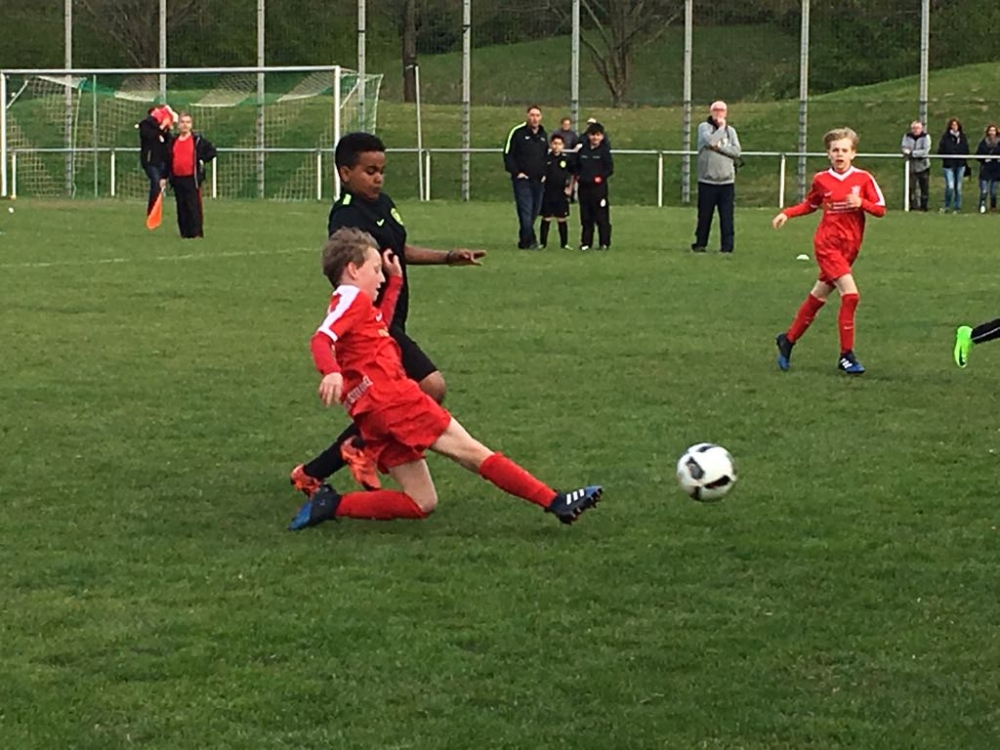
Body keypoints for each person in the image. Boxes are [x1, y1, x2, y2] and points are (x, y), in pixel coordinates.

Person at [287, 228, 603, 530]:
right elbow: (321, 338)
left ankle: (332, 505)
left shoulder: (357, 308)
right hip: (394, 400)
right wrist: (331, 371)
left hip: (373, 415)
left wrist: (396, 282)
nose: (380, 278)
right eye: (376, 270)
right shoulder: (350, 298)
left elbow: (380, 322)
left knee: (422, 501)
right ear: (353, 270)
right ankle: (555, 501)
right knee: (472, 452)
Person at [290, 132, 485, 497]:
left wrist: (447, 257)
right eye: (370, 171)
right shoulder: (346, 217)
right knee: (430, 387)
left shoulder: (383, 203)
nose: (378, 178)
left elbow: (399, 250)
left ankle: (317, 470)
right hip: (373, 326)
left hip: (392, 317)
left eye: (381, 170)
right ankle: (362, 449)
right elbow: (347, 270)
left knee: (391, 405)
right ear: (345, 173)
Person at [772, 127, 886, 375]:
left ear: (853, 153)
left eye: (844, 150)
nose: (839, 154)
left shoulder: (863, 179)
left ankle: (788, 340)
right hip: (827, 246)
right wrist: (787, 213)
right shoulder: (821, 180)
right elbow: (810, 204)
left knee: (818, 297)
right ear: (828, 154)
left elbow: (880, 209)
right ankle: (846, 355)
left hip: (850, 248)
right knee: (851, 296)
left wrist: (862, 203)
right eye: (835, 150)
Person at [692, 101, 741, 254]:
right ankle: (700, 244)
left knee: (727, 216)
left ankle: (727, 246)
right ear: (711, 112)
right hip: (707, 181)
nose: (719, 113)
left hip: (727, 182)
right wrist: (720, 128)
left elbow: (736, 151)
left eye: (722, 110)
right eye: (716, 110)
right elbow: (711, 141)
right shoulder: (704, 127)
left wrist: (719, 147)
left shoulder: (731, 131)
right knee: (704, 215)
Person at [503, 105, 548, 249]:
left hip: (538, 180)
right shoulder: (518, 133)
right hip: (523, 180)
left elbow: (545, 157)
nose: (535, 118)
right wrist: (517, 173)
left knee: (535, 211)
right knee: (525, 210)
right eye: (532, 115)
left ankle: (524, 240)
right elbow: (508, 154)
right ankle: (530, 241)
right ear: (527, 116)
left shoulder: (543, 135)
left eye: (537, 115)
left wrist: (544, 173)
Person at [168, 112, 216, 239]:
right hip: (178, 178)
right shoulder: (173, 141)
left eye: (188, 122)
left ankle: (196, 233)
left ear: (191, 125)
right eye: (182, 122)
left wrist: (201, 159)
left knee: (193, 206)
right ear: (178, 125)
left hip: (191, 178)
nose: (185, 125)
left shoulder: (197, 140)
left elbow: (211, 152)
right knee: (181, 206)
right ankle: (185, 232)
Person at [576, 121, 613, 251]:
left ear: (602, 136)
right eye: (592, 135)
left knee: (601, 217)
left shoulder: (604, 151)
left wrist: (600, 177)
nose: (595, 138)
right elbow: (575, 165)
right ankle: (586, 242)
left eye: (597, 135)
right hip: (584, 188)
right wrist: (578, 175)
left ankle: (604, 242)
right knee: (586, 217)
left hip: (599, 189)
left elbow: (609, 169)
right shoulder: (583, 150)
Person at [136, 105, 176, 223]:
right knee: (156, 182)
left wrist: (166, 129)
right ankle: (152, 211)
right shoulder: (146, 124)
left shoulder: (164, 129)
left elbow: (169, 143)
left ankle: (155, 211)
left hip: (162, 160)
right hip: (150, 161)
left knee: (159, 184)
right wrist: (162, 127)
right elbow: (150, 136)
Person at [539, 133, 575, 249]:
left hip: (561, 193)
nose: (557, 146)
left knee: (562, 218)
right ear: (551, 145)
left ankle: (564, 244)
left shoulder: (566, 159)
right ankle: (543, 243)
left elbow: (573, 174)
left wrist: (570, 188)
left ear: (563, 146)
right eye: (555, 143)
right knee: (546, 217)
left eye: (559, 144)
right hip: (548, 192)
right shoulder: (546, 159)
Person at [937, 117, 970, 213]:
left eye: (956, 125)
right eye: (952, 125)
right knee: (950, 186)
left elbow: (966, 150)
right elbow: (941, 150)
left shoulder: (962, 137)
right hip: (948, 166)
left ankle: (957, 207)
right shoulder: (945, 137)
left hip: (960, 165)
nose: (954, 127)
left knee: (958, 188)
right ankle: (946, 206)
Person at [900, 120, 931, 212]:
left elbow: (925, 151)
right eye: (914, 128)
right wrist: (906, 152)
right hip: (911, 167)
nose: (916, 130)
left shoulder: (926, 137)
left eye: (918, 128)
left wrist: (912, 153)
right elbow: (904, 148)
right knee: (911, 187)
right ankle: (913, 206)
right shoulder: (907, 136)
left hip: (923, 166)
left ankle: (924, 207)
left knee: (924, 188)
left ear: (921, 129)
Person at [975, 123, 1000, 214]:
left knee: (993, 192)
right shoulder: (983, 142)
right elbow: (978, 155)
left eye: (993, 130)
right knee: (984, 191)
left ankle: (993, 207)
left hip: (996, 170)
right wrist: (984, 159)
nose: (992, 132)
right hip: (985, 169)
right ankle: (982, 205)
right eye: (990, 130)